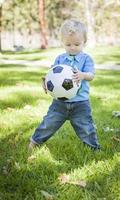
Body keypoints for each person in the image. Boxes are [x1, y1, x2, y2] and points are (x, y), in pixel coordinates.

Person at [29, 19, 100, 151]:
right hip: (59, 103)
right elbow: (52, 75)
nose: (72, 47)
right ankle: (34, 142)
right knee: (48, 124)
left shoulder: (86, 59)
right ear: (62, 43)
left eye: (77, 44)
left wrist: (83, 75)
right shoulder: (60, 59)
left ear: (84, 42)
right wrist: (46, 81)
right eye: (68, 44)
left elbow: (91, 75)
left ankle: (94, 148)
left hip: (80, 103)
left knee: (86, 127)